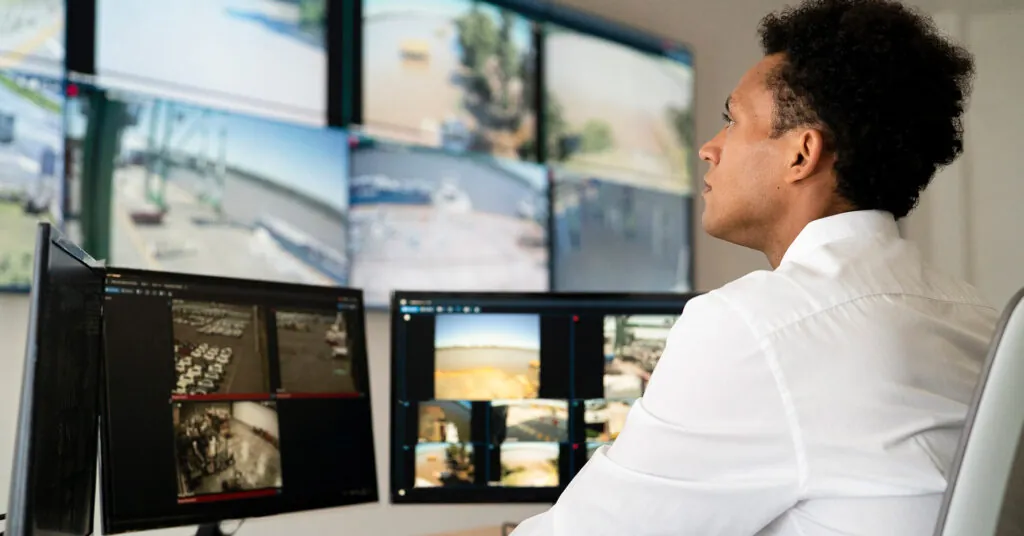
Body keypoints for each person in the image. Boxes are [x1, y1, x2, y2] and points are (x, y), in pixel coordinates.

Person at [511, 0, 998, 534]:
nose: (708, 148)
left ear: (801, 154)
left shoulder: (757, 327)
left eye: (731, 120)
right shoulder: (977, 318)